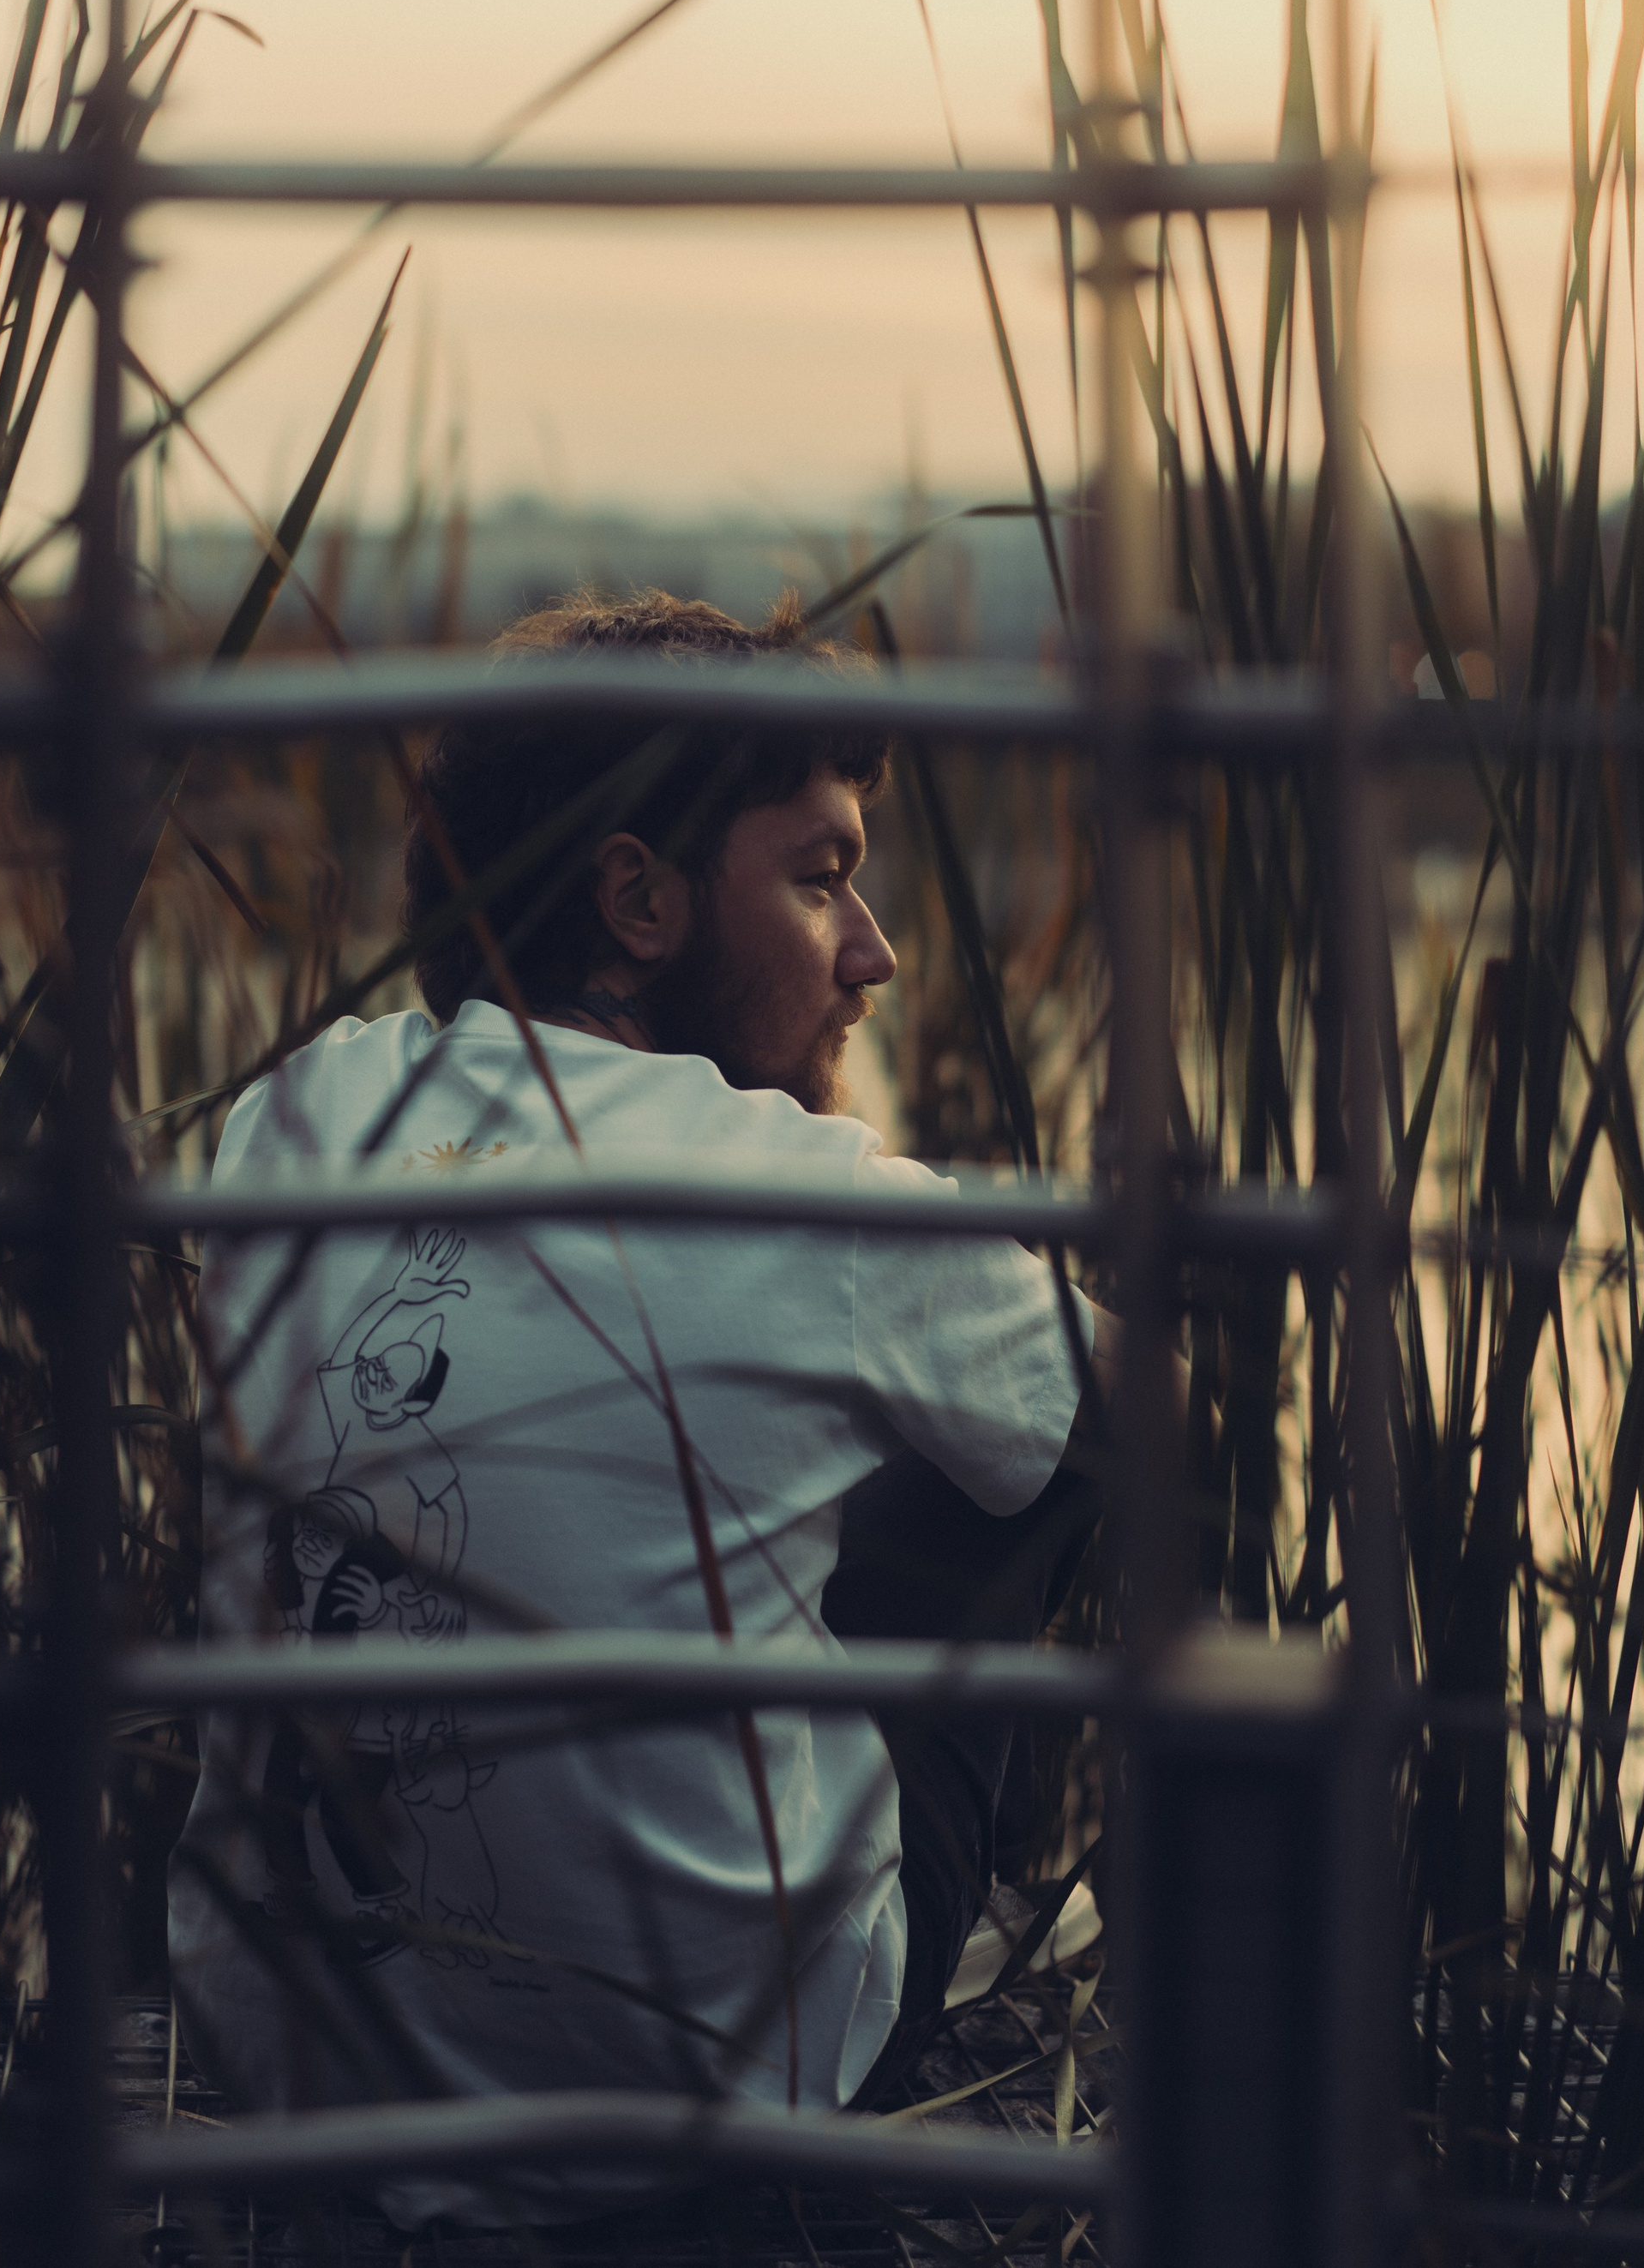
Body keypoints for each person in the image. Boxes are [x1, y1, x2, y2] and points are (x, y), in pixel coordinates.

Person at [168, 591, 1119, 2223]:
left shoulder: (293, 1123)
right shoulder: (799, 1194)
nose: (875, 949)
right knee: (1040, 1452)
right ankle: (858, 1930)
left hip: (311, 2086)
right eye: (819, 877)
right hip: (724, 2097)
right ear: (639, 899)